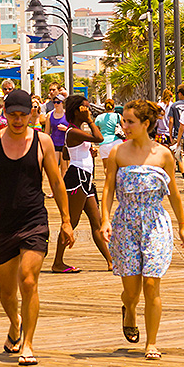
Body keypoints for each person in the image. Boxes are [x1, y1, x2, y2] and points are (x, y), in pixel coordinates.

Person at [0, 89, 74, 366]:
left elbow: (56, 181)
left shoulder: (42, 142)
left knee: (28, 280)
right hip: (2, 223)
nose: (17, 120)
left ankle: (28, 344)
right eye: (12, 115)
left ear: (31, 114)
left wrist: (65, 220)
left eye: (22, 115)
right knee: (6, 292)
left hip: (34, 220)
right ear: (4, 113)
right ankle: (15, 322)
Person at [100, 100, 184, 360]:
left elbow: (173, 192)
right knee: (132, 290)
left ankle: (151, 343)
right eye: (123, 121)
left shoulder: (163, 155)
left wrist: (183, 226)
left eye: (130, 121)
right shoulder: (118, 152)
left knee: (152, 283)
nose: (124, 126)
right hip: (125, 222)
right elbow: (108, 189)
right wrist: (105, 220)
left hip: (155, 222)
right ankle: (129, 309)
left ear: (146, 124)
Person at [51, 95, 113, 273]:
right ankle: (57, 262)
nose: (88, 110)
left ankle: (110, 261)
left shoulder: (74, 131)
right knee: (71, 221)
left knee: (97, 222)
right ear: (78, 110)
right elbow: (100, 138)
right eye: (85, 108)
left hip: (85, 178)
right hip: (77, 178)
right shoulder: (73, 131)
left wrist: (86, 153)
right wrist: (90, 121)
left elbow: (65, 155)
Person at [95, 99, 124, 173]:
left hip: (104, 143)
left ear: (104, 107)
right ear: (113, 106)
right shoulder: (118, 116)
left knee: (106, 167)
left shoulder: (99, 117)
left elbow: (95, 131)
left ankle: (108, 182)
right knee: (118, 166)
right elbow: (124, 127)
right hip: (117, 142)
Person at [44, 93, 69, 172]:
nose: (56, 104)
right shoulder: (50, 115)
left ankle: (63, 183)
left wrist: (66, 129)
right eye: (54, 102)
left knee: (64, 167)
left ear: (63, 103)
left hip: (64, 144)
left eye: (58, 102)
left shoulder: (67, 115)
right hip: (54, 143)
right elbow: (47, 132)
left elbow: (73, 129)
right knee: (54, 167)